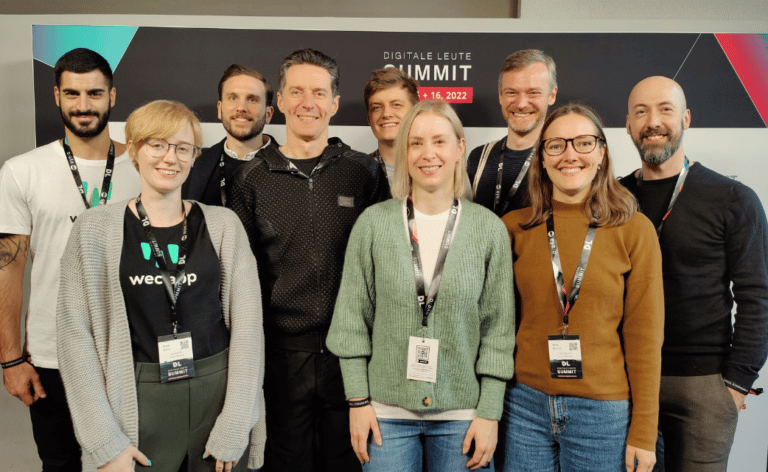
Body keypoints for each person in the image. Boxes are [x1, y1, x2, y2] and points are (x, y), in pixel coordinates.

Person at [56, 100, 264, 472]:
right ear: (135, 150)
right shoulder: (93, 229)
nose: (170, 157)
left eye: (183, 148)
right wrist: (105, 443)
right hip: (136, 399)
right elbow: (75, 339)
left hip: (217, 397)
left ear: (194, 157)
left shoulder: (224, 225)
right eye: (157, 144)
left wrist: (235, 423)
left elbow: (249, 331)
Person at [327, 100, 515, 471]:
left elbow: (499, 331)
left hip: (464, 415)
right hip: (384, 415)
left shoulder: (489, 229)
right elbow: (351, 322)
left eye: (440, 141)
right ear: (404, 152)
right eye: (416, 143)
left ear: (459, 148)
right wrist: (357, 401)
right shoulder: (373, 225)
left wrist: (490, 411)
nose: (428, 154)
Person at [230, 48, 390, 472]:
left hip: (352, 357)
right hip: (282, 357)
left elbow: (383, 267)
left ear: (334, 103)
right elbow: (240, 279)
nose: (308, 103)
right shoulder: (250, 178)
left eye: (319, 93)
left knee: (350, 464)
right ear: (280, 101)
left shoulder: (363, 172)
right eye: (297, 92)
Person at [499, 104, 663, 472]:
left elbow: (645, 338)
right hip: (523, 405)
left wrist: (643, 432)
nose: (570, 155)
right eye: (556, 145)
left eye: (584, 143)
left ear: (602, 154)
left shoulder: (634, 230)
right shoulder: (513, 227)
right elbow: (494, 326)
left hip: (601, 412)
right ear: (542, 159)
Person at [0, 47, 141, 471]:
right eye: (73, 93)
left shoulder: (147, 165)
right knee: (60, 464)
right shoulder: (22, 171)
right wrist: (11, 358)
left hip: (132, 351)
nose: (83, 105)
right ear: (56, 95)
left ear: (112, 96)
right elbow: (8, 269)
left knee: (134, 463)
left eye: (94, 93)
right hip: (52, 353)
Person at [620, 76, 768, 472]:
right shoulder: (614, 199)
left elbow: (758, 297)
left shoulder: (733, 199)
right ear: (628, 125)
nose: (653, 121)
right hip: (626, 382)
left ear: (685, 118)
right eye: (641, 112)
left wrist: (735, 386)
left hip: (703, 385)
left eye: (665, 110)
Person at [467, 49, 557, 217]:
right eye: (512, 92)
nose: (521, 104)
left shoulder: (563, 159)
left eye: (533, 93)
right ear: (500, 96)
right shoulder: (478, 158)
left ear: (551, 95)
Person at [183, 64, 277, 206]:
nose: (241, 108)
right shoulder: (192, 163)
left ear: (268, 114)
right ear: (220, 109)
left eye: (252, 99)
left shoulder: (294, 167)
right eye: (233, 98)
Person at [363, 67, 420, 186]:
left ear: (415, 112)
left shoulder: (436, 168)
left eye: (396, 105)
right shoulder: (355, 172)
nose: (386, 114)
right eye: (377, 107)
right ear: (369, 118)